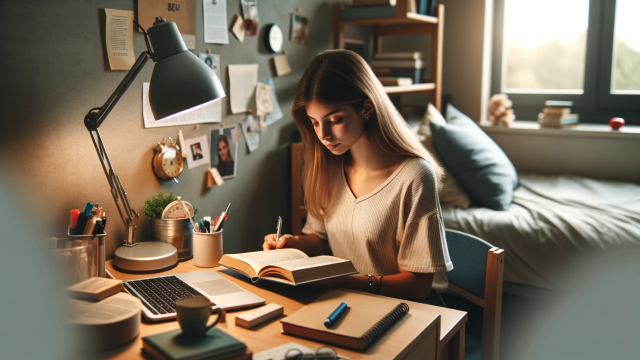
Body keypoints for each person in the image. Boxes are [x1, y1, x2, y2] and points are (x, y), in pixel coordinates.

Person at [262, 50, 452, 302]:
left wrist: (349, 282)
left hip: (408, 310)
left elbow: (418, 286)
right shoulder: (328, 167)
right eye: (315, 122)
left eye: (335, 119)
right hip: (346, 300)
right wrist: (293, 243)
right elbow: (322, 240)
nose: (323, 134)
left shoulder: (415, 177)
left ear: (366, 108)